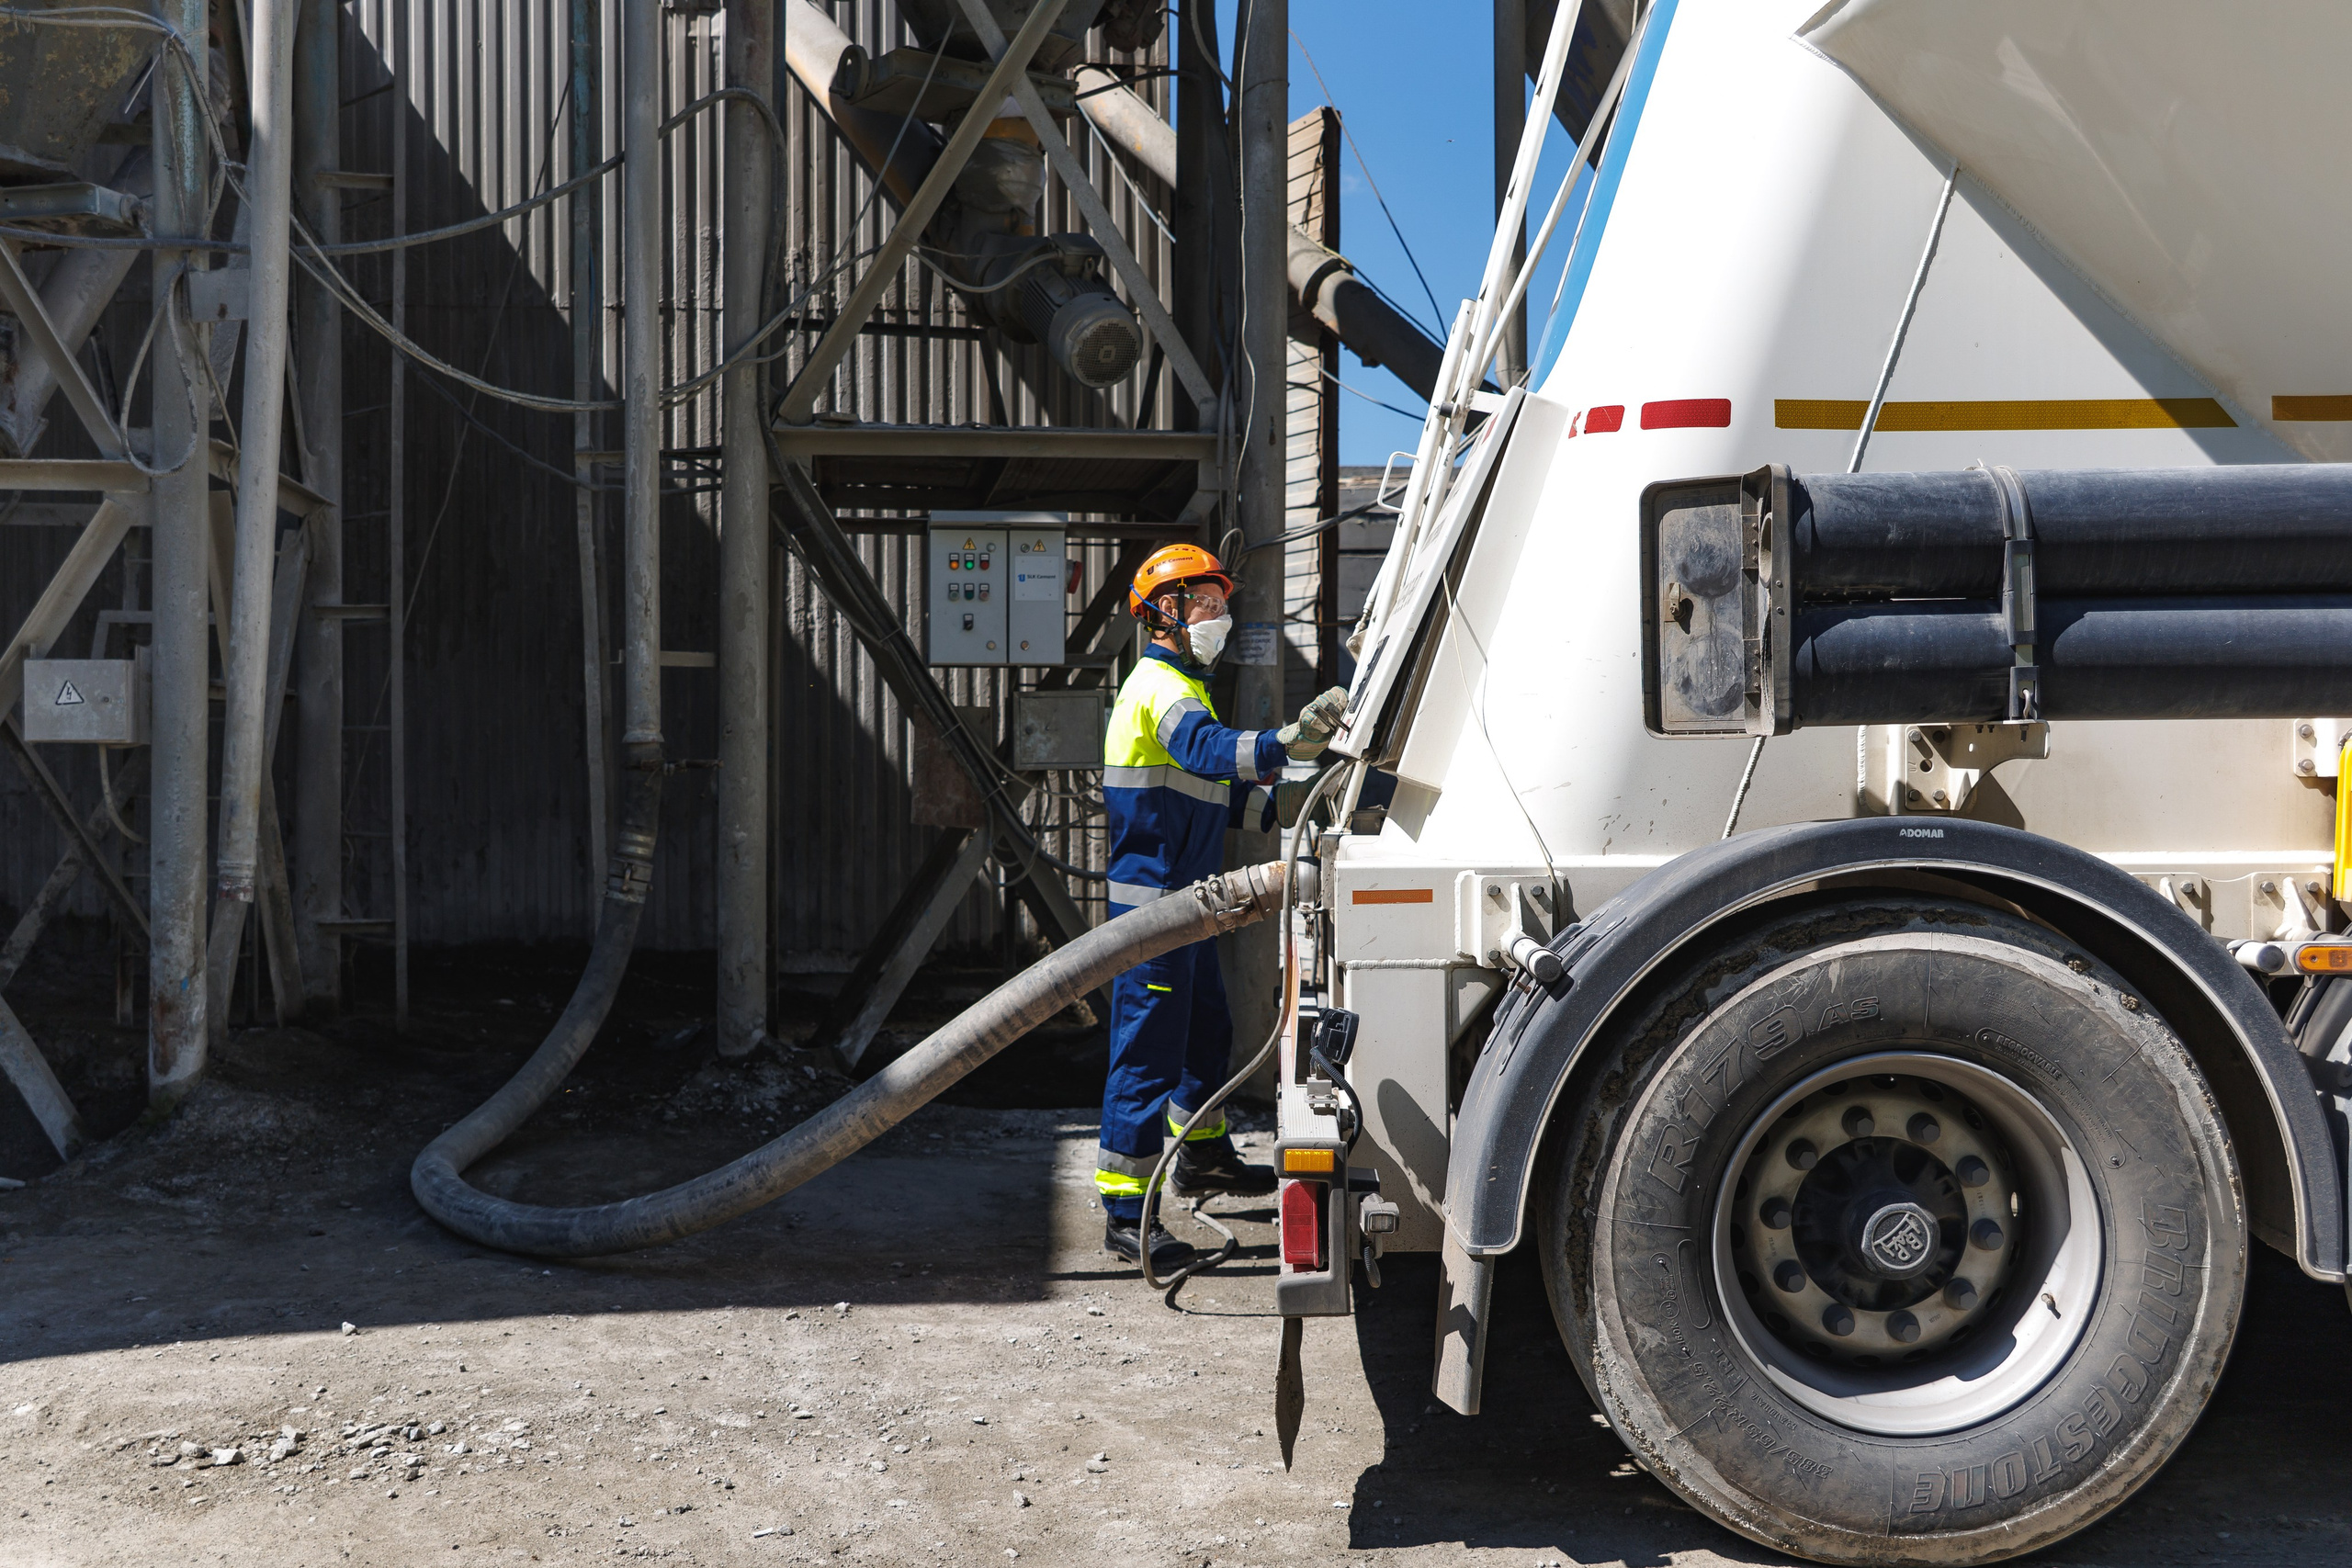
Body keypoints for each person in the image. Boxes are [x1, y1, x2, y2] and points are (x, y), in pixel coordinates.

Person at [1095, 543, 1351, 1269]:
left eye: (1220, 604)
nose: (1221, 618)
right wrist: (1286, 741)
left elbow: (1226, 791)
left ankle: (1202, 1157)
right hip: (1156, 915)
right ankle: (1125, 1214)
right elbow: (1211, 753)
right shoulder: (1161, 689)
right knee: (1146, 1055)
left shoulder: (1185, 687)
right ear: (1168, 613)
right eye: (1206, 604)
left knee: (1206, 1034)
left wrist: (1301, 795)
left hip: (1191, 909)